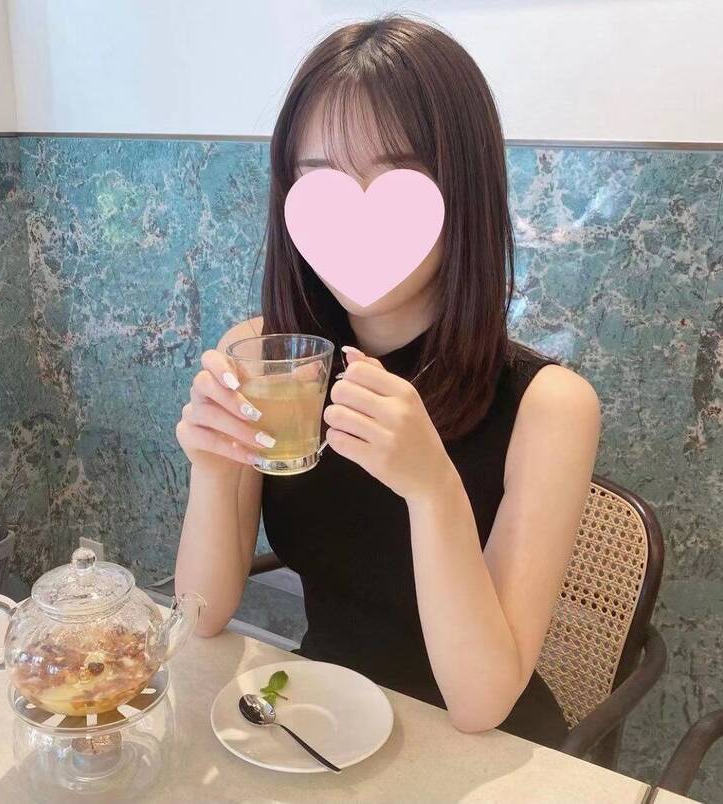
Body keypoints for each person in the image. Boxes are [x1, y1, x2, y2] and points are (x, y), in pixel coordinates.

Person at [174, 14, 600, 748]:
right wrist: (214, 471)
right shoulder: (269, 359)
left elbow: (481, 702)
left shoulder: (549, 406)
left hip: (478, 754)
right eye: (319, 180)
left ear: (462, 190)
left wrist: (432, 489)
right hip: (319, 722)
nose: (354, 213)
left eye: (395, 178)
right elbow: (201, 613)